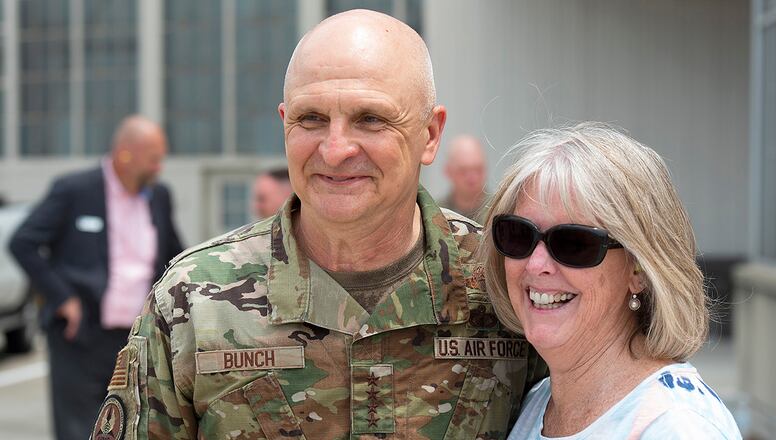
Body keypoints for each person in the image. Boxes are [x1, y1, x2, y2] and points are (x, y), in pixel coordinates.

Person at [89, 10, 546, 440]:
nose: (335, 149)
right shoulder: (194, 300)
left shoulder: (505, 280)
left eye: (371, 119)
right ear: (284, 124)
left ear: (429, 134)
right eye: (311, 119)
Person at [480, 123, 741, 438]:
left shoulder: (678, 427)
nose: (536, 264)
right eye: (519, 235)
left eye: (573, 243)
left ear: (639, 270)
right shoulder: (535, 405)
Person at [9, 115, 183, 440]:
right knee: (80, 429)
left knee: (137, 426)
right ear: (125, 154)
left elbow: (174, 256)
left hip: (137, 340)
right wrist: (62, 298)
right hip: (81, 335)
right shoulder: (74, 190)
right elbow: (23, 243)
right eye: (153, 159)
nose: (158, 168)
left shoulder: (159, 196)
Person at [440, 134, 489, 223]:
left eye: (478, 169)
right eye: (463, 171)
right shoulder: (436, 212)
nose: (472, 178)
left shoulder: (499, 209)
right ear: (448, 171)